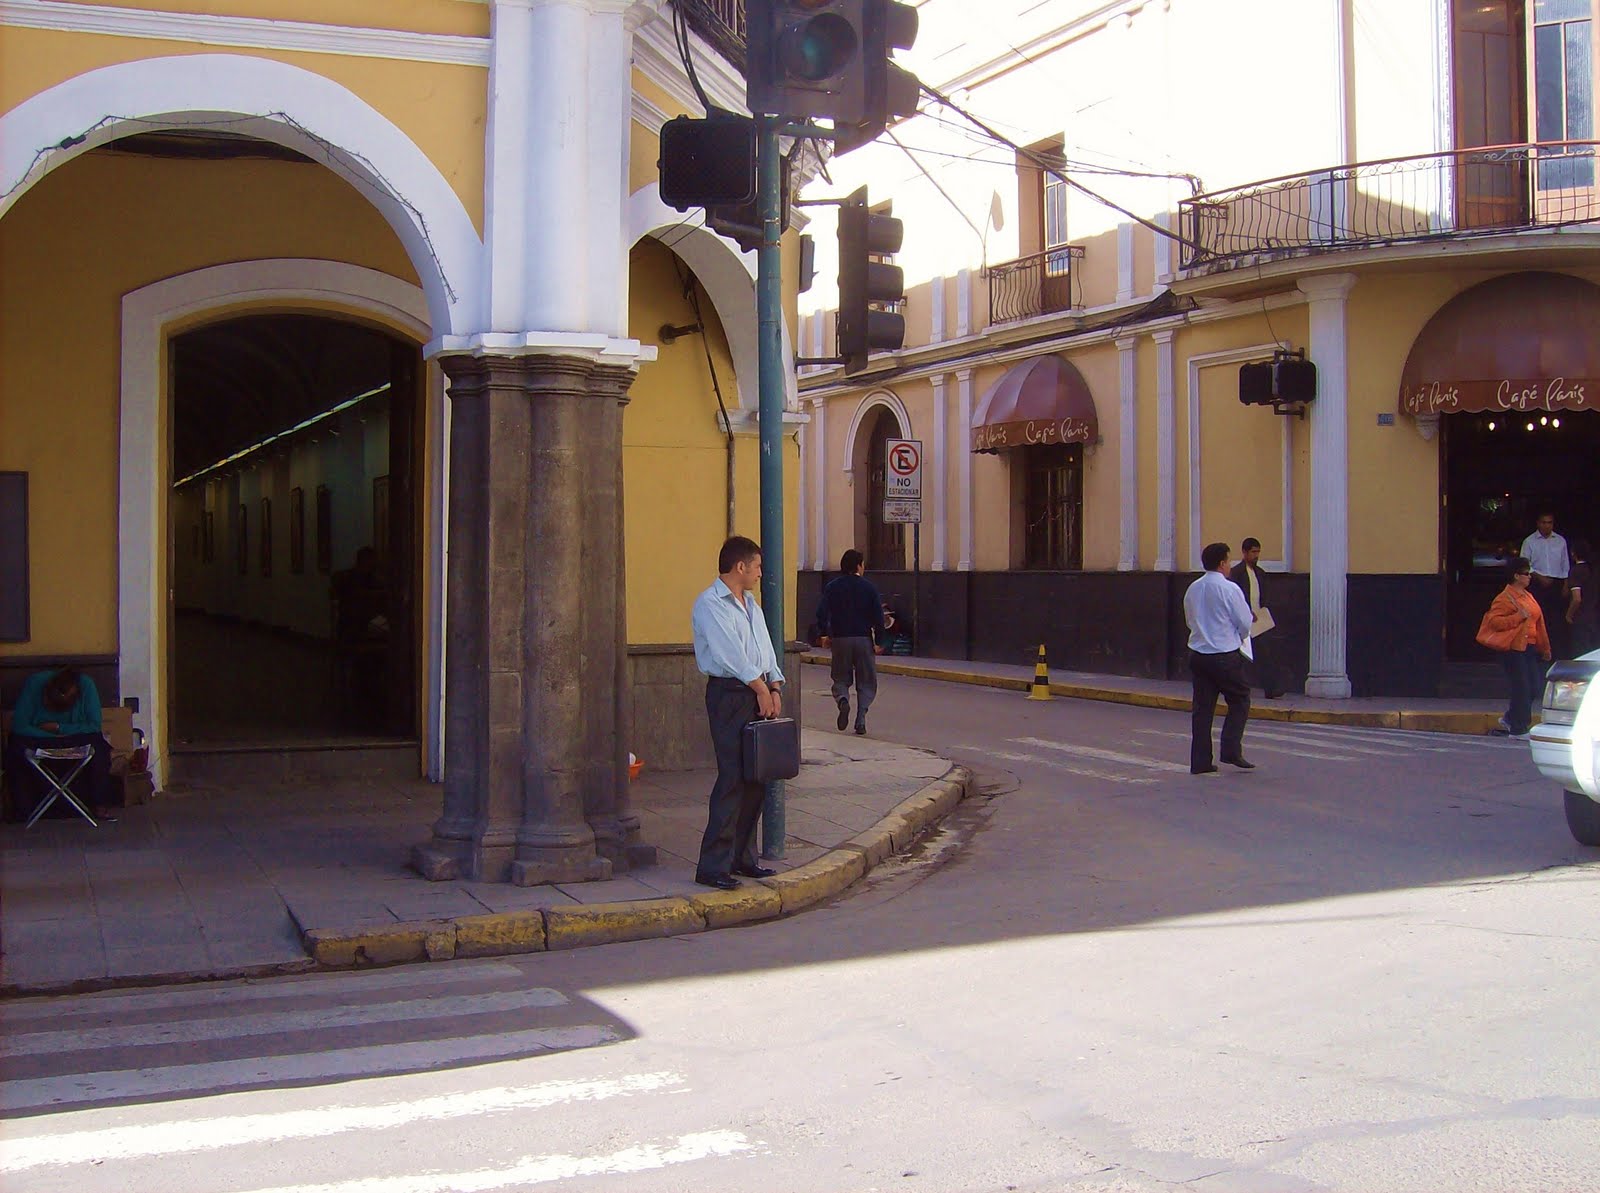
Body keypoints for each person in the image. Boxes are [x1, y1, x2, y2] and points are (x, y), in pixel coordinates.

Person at [689, 535, 786, 890]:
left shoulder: (752, 605)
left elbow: (765, 649)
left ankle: (743, 858)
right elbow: (730, 654)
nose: (761, 573)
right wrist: (759, 688)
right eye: (758, 566)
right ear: (740, 566)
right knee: (731, 778)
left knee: (756, 778)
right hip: (730, 694)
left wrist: (774, 685)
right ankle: (712, 865)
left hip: (758, 690)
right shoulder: (710, 604)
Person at [3, 666, 117, 822]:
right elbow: (19, 726)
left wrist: (60, 728)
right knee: (15, 746)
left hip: (71, 735)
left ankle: (100, 805)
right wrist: (49, 734)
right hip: (39, 737)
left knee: (99, 746)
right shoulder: (35, 683)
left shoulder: (86, 685)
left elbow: (93, 725)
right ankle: (23, 809)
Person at [1184, 542, 1256, 775]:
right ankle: (1231, 749)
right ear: (1222, 563)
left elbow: (1190, 619)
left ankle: (1200, 761)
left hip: (1199, 654)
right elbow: (1244, 622)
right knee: (1240, 698)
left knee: (1202, 709)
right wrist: (1239, 637)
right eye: (1229, 561)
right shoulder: (1230, 589)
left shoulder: (1193, 588)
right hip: (1224, 655)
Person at [1479, 556, 1551, 739]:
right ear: (1516, 576)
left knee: (1534, 687)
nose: (1529, 577)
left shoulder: (1529, 596)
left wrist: (1545, 647)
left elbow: (1539, 623)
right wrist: (1517, 617)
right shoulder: (1504, 598)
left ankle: (1511, 718)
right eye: (1526, 574)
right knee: (1522, 688)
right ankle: (1519, 728)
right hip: (1513, 649)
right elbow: (1494, 622)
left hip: (1530, 647)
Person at [816, 549, 885, 736]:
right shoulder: (869, 588)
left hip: (840, 639)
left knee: (840, 677)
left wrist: (823, 634)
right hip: (863, 639)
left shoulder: (832, 587)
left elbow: (822, 612)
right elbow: (878, 616)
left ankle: (842, 700)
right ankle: (861, 718)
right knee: (866, 681)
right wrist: (880, 640)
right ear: (859, 565)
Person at [1228, 537, 1285, 698]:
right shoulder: (1237, 573)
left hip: (1259, 622)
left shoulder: (1260, 573)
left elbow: (1263, 595)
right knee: (1241, 657)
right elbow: (1235, 597)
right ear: (1245, 553)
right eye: (1253, 552)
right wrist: (1246, 612)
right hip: (1243, 622)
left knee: (1266, 655)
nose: (1256, 555)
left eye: (1258, 552)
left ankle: (1271, 689)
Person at [1521, 512, 1571, 658]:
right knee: (1537, 618)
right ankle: (1537, 651)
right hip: (1537, 583)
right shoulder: (1529, 541)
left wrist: (1566, 584)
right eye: (1543, 522)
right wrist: (1538, 576)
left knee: (1555, 619)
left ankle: (1555, 652)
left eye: (1549, 522)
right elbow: (1524, 564)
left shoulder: (1560, 541)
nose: (1546, 525)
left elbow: (1565, 565)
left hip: (1556, 583)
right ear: (1538, 523)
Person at [1567, 539, 1598, 658]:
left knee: (1581, 654)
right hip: (1594, 617)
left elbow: (1577, 599)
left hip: (1581, 619)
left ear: (1573, 553)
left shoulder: (1576, 571)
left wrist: (1569, 614)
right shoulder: (1594, 571)